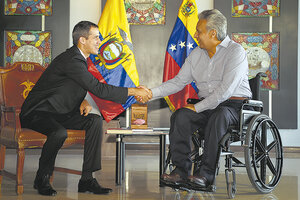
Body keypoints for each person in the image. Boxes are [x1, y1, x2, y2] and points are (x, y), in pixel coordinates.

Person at [20, 21, 149, 196]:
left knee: (94, 121)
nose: (99, 41)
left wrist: (82, 101)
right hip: (37, 112)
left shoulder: (79, 59)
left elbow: (67, 85)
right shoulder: (72, 60)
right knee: (59, 133)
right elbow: (98, 88)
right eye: (96, 37)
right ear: (82, 40)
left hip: (59, 111)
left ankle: (87, 179)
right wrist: (133, 90)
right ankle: (41, 178)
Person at [143, 9, 252, 189]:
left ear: (213, 33)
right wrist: (150, 92)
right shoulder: (196, 54)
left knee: (219, 115)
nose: (195, 35)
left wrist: (198, 108)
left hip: (234, 107)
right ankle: (181, 171)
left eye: (198, 31)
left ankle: (206, 174)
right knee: (180, 116)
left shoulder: (235, 52)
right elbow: (178, 82)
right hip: (207, 105)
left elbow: (225, 91)